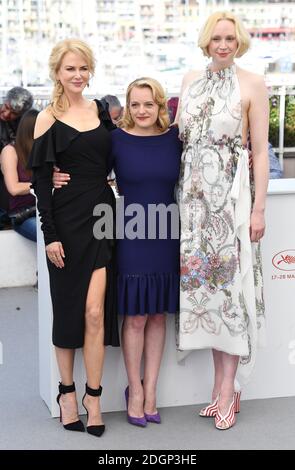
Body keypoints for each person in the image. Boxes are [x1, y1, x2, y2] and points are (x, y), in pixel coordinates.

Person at [53, 77, 182, 427]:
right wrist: (52, 174)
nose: (141, 111)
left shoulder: (176, 140)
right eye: (135, 104)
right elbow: (84, 164)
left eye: (149, 104)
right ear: (127, 107)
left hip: (167, 232)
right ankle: (134, 390)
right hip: (131, 231)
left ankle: (151, 390)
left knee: (158, 315)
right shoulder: (116, 140)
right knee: (137, 316)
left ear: (160, 106)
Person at [175, 11, 269, 430]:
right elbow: (176, 138)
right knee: (209, 301)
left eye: (231, 37)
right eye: (217, 37)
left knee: (231, 297)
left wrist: (259, 209)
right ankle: (220, 388)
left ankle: (229, 392)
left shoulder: (253, 83)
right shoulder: (190, 79)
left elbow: (262, 152)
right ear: (206, 40)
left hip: (230, 206)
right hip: (192, 208)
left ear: (240, 40)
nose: (224, 44)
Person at [29, 38, 119, 437]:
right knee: (67, 312)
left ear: (90, 70)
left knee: (96, 313)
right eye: (70, 69)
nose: (78, 75)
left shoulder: (101, 111)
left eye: (83, 67)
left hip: (102, 215)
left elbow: (119, 155)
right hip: (64, 224)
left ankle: (93, 397)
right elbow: (41, 181)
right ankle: (66, 393)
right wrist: (49, 236)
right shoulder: (48, 117)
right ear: (57, 74)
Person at [0, 109, 38, 242]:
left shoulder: (44, 151)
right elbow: (14, 188)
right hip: (23, 215)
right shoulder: (10, 151)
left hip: (46, 212)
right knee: (48, 237)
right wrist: (45, 181)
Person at [0, 87, 34, 224]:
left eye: (13, 113)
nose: (7, 113)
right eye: (6, 107)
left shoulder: (21, 125)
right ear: (4, 100)